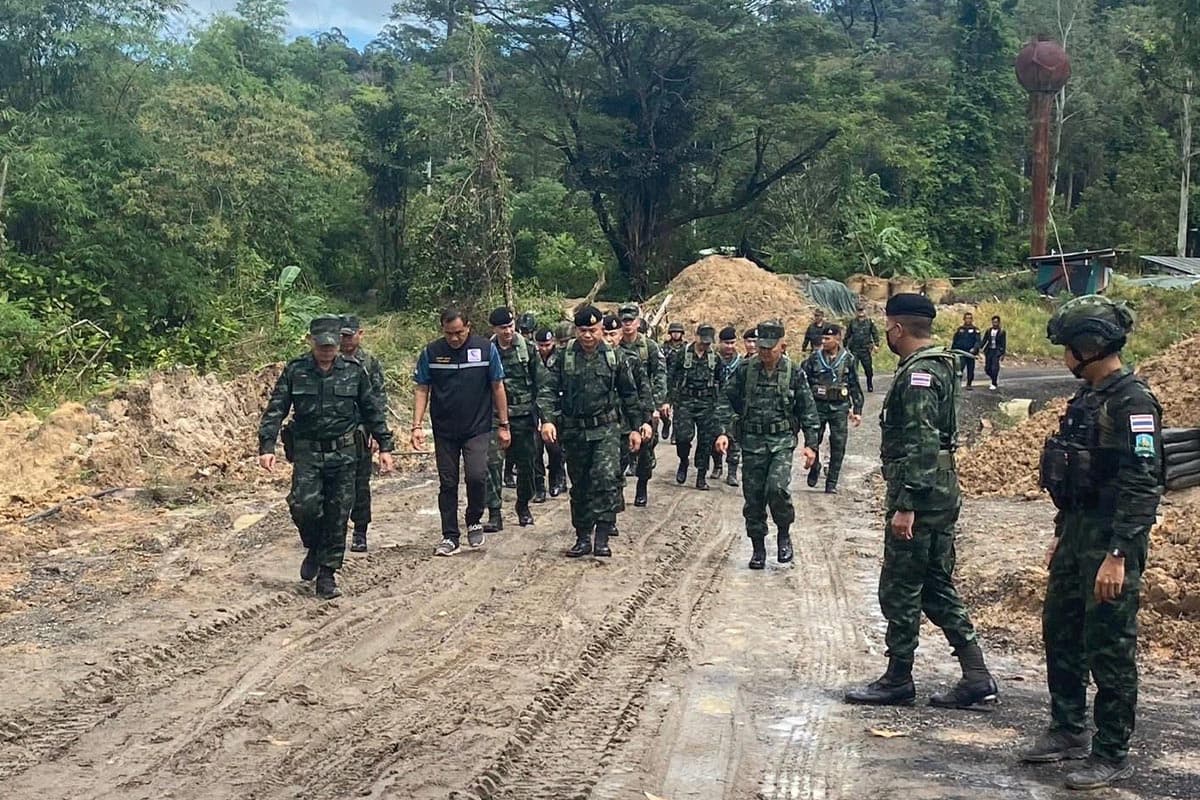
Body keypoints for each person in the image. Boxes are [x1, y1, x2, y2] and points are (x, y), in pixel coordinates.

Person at [1021, 295, 1163, 791]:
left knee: (1109, 645)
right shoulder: (1088, 398)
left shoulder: (1133, 403)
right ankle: (1068, 728)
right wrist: (1062, 535)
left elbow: (1143, 485)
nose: (1064, 357)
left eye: (1068, 347)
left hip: (1111, 539)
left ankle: (1111, 751)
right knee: (1061, 630)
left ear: (1090, 346)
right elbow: (1074, 476)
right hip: (1077, 531)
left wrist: (1118, 555)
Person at [845, 293, 998, 709]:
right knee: (934, 583)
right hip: (940, 490)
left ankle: (898, 678)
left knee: (900, 586)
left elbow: (922, 439)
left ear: (897, 328)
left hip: (922, 496)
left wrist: (907, 503)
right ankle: (976, 674)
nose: (886, 334)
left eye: (887, 327)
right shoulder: (942, 364)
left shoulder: (919, 374)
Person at [258, 315, 396, 599]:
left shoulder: (354, 371)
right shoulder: (296, 370)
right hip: (308, 452)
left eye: (331, 346)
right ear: (311, 341)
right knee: (303, 506)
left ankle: (327, 574)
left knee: (338, 514)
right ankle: (314, 546)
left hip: (344, 454)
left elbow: (372, 409)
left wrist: (385, 445)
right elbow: (276, 408)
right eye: (321, 346)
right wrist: (267, 446)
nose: (326, 351)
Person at [539, 305, 651, 558]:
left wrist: (636, 427)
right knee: (580, 484)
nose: (588, 335)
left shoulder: (614, 357)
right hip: (575, 431)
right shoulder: (564, 357)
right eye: (582, 330)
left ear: (601, 328)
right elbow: (547, 390)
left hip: (606, 429)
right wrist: (547, 420)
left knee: (606, 479)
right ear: (576, 330)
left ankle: (602, 536)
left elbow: (630, 394)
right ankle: (582, 537)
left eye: (592, 330)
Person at [714, 320, 818, 569]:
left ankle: (783, 533)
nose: (765, 352)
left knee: (777, 489)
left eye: (770, 348)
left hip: (781, 442)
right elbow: (725, 399)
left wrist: (811, 444)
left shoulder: (794, 372)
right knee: (754, 498)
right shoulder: (746, 370)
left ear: (783, 346)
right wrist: (723, 431)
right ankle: (758, 548)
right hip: (751, 443)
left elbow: (808, 409)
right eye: (761, 347)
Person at [411, 307, 510, 557]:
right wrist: (417, 426)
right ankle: (450, 535)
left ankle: (474, 519)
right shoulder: (432, 352)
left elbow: (497, 386)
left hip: (477, 427)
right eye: (449, 333)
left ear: (468, 327)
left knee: (477, 476)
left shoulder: (486, 350)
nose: (454, 338)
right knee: (448, 482)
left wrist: (504, 425)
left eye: (459, 332)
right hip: (444, 429)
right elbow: (422, 388)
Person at [483, 307, 545, 532]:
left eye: (510, 326)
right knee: (492, 465)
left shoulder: (528, 349)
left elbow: (542, 383)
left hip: (523, 416)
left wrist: (543, 416)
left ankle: (523, 506)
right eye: (503, 328)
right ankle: (494, 513)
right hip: (493, 417)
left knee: (526, 464)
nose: (508, 331)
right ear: (494, 329)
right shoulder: (486, 351)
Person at [338, 314, 388, 553]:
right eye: (342, 336)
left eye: (350, 336)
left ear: (360, 334)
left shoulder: (368, 362)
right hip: (335, 432)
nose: (346, 341)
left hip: (360, 433)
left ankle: (360, 531)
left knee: (360, 485)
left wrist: (377, 433)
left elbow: (378, 399)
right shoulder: (329, 359)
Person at [802, 324, 864, 494]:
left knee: (838, 443)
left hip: (839, 407)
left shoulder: (848, 359)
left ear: (838, 339)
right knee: (813, 440)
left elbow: (854, 385)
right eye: (822, 338)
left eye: (827, 338)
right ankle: (815, 466)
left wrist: (857, 410)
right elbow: (804, 382)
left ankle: (832, 482)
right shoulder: (814, 358)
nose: (824, 341)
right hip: (818, 406)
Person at [618, 303, 668, 507]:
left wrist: (655, 406)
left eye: (631, 320)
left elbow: (660, 376)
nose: (627, 324)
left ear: (638, 322)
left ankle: (641, 486)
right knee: (620, 452)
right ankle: (617, 491)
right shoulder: (615, 346)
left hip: (644, 405)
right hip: (622, 407)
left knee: (645, 451)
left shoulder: (649, 347)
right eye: (624, 321)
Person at [668, 324, 722, 490]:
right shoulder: (682, 354)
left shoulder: (715, 358)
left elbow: (721, 381)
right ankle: (683, 460)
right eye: (703, 341)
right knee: (683, 437)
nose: (705, 345)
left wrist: (720, 406)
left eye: (708, 342)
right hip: (685, 401)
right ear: (696, 336)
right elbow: (670, 377)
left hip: (707, 403)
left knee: (706, 441)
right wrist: (668, 400)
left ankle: (701, 476)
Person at [533, 328, 567, 498]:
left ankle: (557, 479)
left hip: (555, 407)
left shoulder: (561, 357)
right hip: (534, 406)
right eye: (541, 345)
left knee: (554, 448)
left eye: (547, 345)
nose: (544, 348)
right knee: (535, 449)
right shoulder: (532, 357)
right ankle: (539, 485)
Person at [712, 325, 743, 486]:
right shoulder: (713, 360)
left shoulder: (741, 363)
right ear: (720, 343)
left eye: (732, 343)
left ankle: (732, 472)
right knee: (714, 436)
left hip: (734, 405)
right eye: (726, 343)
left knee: (734, 438)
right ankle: (717, 465)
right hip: (714, 403)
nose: (729, 346)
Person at [661, 322, 687, 442]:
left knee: (678, 411)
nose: (676, 334)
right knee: (662, 409)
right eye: (674, 332)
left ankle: (675, 434)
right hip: (665, 380)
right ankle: (666, 423)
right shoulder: (664, 347)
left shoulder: (686, 348)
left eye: (678, 332)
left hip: (679, 382)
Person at [844, 306, 880, 392]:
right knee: (853, 369)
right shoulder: (852, 322)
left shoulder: (869, 322)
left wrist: (876, 345)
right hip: (855, 349)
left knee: (868, 369)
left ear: (865, 311)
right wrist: (844, 347)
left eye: (862, 310)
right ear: (856, 312)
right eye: (859, 310)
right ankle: (854, 387)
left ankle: (869, 384)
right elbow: (847, 335)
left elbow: (874, 333)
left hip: (866, 349)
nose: (860, 312)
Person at [951, 312, 982, 390]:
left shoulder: (975, 330)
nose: (968, 320)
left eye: (970, 318)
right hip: (961, 353)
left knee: (970, 369)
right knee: (959, 369)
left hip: (970, 353)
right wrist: (952, 350)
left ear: (972, 319)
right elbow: (955, 340)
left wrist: (975, 349)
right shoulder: (960, 329)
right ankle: (957, 384)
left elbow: (978, 341)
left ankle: (969, 384)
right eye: (967, 318)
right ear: (964, 319)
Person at [984, 315, 1007, 390]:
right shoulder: (988, 331)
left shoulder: (1002, 332)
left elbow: (1003, 343)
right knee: (987, 368)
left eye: (996, 322)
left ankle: (994, 383)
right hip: (989, 350)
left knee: (994, 367)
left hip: (996, 351)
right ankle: (993, 378)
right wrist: (979, 348)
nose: (995, 324)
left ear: (999, 323)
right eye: (993, 322)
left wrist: (1003, 353)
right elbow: (984, 340)